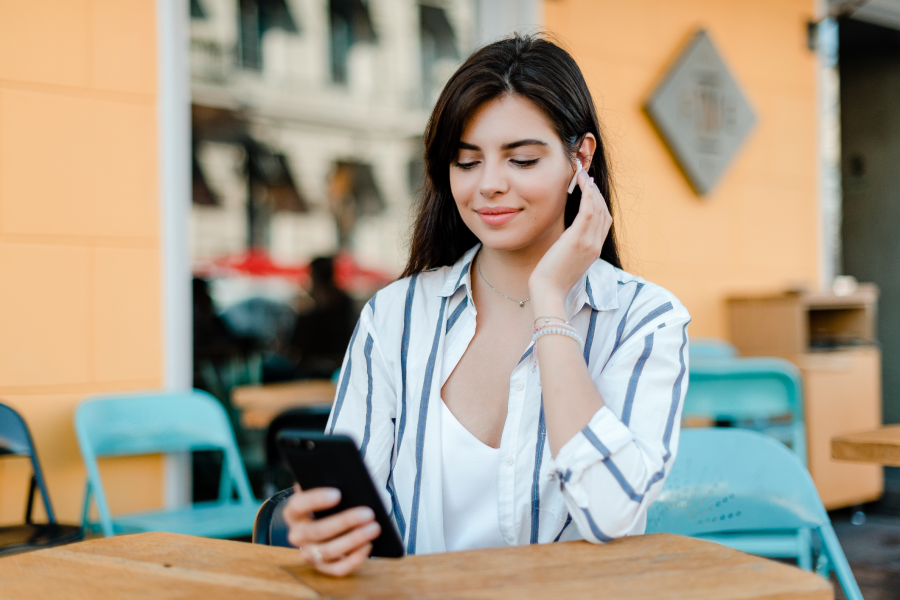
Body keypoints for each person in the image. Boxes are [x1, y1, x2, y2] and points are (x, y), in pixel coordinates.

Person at [284, 34, 691, 576]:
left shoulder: (644, 320)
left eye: (521, 159)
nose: (489, 186)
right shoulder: (396, 316)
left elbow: (611, 512)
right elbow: (348, 506)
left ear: (580, 159)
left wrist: (550, 304)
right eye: (467, 161)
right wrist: (322, 532)